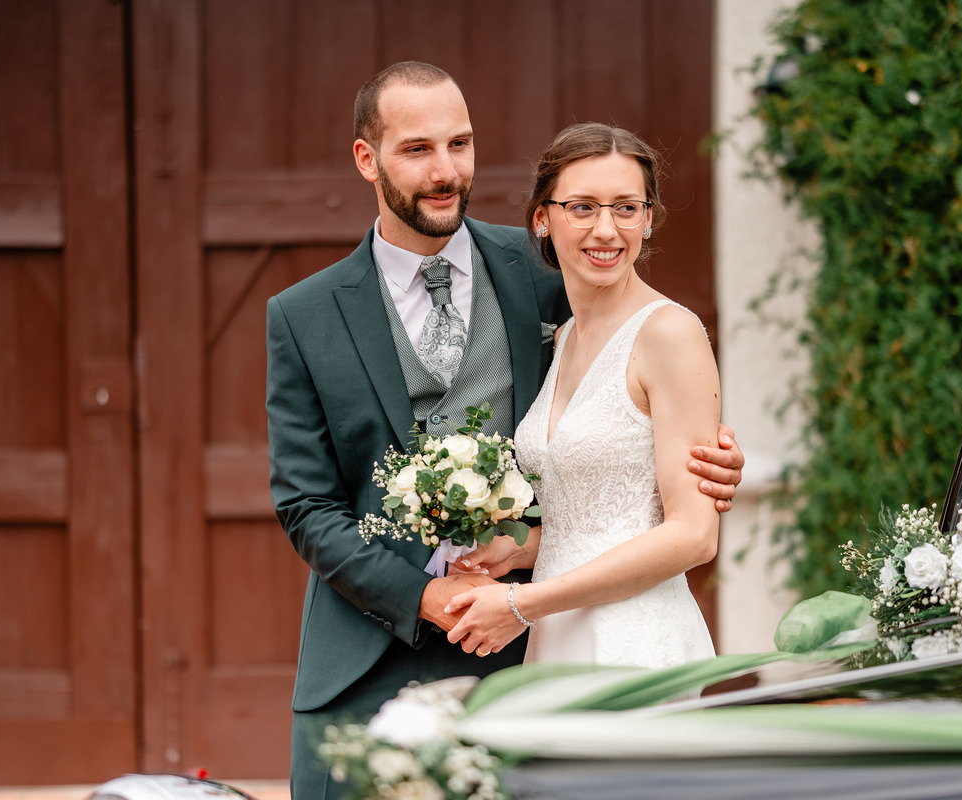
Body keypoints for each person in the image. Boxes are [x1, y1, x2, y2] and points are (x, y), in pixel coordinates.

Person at [265, 63, 744, 800]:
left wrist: (708, 456)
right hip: (363, 653)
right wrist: (424, 597)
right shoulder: (303, 315)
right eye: (417, 149)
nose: (445, 170)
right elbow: (307, 506)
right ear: (367, 158)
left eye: (460, 144)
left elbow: (639, 396)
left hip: (525, 649)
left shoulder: (549, 271)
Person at [444, 123, 721, 669]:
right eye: (583, 208)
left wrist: (522, 603)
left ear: (647, 218)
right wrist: (517, 550)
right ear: (542, 219)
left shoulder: (670, 333)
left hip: (635, 641)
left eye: (626, 208)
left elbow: (693, 535)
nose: (607, 230)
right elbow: (593, 521)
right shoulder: (564, 338)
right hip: (561, 632)